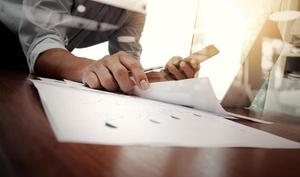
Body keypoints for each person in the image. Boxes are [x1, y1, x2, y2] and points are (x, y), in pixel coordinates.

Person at [0, 0, 201, 93]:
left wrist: (164, 77)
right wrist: (90, 68)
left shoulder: (137, 7)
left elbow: (127, 63)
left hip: (44, 66)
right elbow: (43, 42)